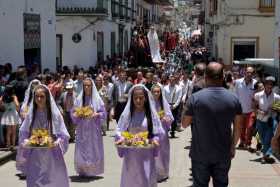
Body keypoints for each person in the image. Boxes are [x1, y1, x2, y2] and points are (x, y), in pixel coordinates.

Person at [182, 62, 242, 187]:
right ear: (223, 77)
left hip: (200, 154)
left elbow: (184, 123)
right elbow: (238, 128)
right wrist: (233, 147)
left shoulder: (195, 98)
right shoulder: (234, 99)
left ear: (205, 77)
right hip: (223, 153)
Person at [16, 85, 70, 187]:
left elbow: (63, 135)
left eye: (42, 96)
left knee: (51, 181)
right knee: (35, 180)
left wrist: (57, 142)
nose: (39, 99)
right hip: (35, 155)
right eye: (37, 96)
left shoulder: (55, 115)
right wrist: (26, 141)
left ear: (47, 98)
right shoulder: (30, 115)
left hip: (51, 155)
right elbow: (23, 132)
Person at [115, 84, 165, 187]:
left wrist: (155, 140)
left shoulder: (151, 115)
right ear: (131, 99)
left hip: (146, 155)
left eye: (141, 98)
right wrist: (121, 139)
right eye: (135, 98)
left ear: (146, 99)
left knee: (145, 180)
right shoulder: (127, 115)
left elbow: (157, 133)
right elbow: (120, 131)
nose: (138, 100)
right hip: (131, 156)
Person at [71, 77, 106, 177]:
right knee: (82, 148)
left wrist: (97, 114)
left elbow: (103, 113)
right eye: (85, 85)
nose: (86, 87)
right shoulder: (79, 99)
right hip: (82, 128)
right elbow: (73, 112)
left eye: (88, 85)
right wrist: (77, 114)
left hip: (93, 129)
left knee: (93, 148)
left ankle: (92, 170)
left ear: (92, 86)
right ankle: (82, 169)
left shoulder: (97, 99)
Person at [253, 76, 280, 164]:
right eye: (268, 83)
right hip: (260, 120)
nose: (269, 85)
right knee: (262, 138)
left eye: (271, 84)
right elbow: (253, 107)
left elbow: (278, 109)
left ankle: (265, 156)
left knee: (268, 139)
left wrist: (273, 109)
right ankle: (267, 154)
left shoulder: (277, 97)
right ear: (264, 84)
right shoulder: (258, 95)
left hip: (271, 121)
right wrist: (260, 111)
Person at [151, 84, 174, 182]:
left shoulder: (163, 103)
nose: (156, 93)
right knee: (152, 152)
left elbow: (170, 117)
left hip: (162, 131)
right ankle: (153, 173)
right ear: (151, 92)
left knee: (162, 152)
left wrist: (165, 118)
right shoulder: (149, 103)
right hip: (152, 130)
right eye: (154, 91)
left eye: (158, 91)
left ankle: (163, 173)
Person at [235, 66, 257, 149]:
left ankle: (248, 142)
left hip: (251, 110)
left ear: (253, 74)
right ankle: (242, 141)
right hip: (240, 109)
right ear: (244, 73)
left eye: (251, 73)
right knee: (241, 127)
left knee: (250, 127)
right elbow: (235, 95)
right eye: (248, 72)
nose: (249, 74)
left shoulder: (256, 83)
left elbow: (258, 96)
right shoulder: (238, 82)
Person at [1, 84, 21, 150]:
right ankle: (13, 145)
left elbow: (0, 103)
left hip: (7, 113)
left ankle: (8, 145)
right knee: (14, 131)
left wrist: (3, 107)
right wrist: (18, 110)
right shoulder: (14, 96)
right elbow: (17, 105)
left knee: (8, 131)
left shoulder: (3, 97)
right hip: (13, 113)